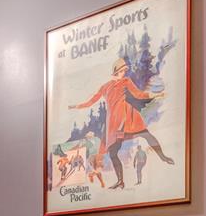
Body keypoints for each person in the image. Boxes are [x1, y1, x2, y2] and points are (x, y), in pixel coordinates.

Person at [68, 58, 174, 189]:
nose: (124, 73)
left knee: (146, 135)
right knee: (113, 152)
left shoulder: (126, 81)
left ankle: (163, 157)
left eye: (125, 70)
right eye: (123, 70)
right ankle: (120, 181)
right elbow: (91, 101)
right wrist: (76, 106)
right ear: (116, 71)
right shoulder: (105, 87)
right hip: (113, 122)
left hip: (126, 117)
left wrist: (154, 95)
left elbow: (139, 94)